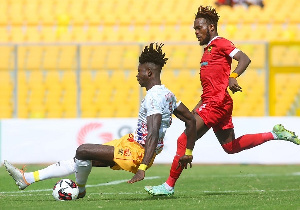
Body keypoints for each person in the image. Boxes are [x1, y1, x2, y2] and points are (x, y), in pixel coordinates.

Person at [4, 43, 196, 199]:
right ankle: (28, 179)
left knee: (83, 150)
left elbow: (153, 133)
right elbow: (191, 120)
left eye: (139, 72)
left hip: (137, 152)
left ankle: (79, 189)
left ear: (149, 73)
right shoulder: (168, 94)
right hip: (133, 144)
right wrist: (188, 151)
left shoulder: (154, 97)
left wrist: (143, 167)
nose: (137, 75)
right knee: (83, 159)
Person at [144, 5, 299, 196]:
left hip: (217, 103)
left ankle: (168, 186)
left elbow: (244, 58)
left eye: (198, 28)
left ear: (210, 27)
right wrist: (197, 108)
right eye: (194, 29)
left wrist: (233, 76)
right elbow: (210, 86)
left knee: (183, 140)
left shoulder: (220, 43)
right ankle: (274, 134)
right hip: (214, 102)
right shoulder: (208, 50)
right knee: (230, 147)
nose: (196, 32)